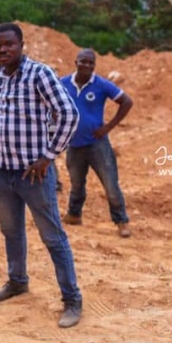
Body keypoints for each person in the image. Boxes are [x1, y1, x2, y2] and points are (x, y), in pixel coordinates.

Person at [0, 23, 83, 329]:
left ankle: (72, 300)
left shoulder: (39, 74)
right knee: (11, 231)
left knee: (53, 236)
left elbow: (69, 114)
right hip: (2, 174)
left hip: (33, 174)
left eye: (8, 45)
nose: (2, 50)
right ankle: (17, 281)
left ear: (21, 45)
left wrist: (49, 155)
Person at [60, 49, 133, 238]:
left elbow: (126, 102)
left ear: (94, 65)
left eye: (91, 63)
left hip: (97, 144)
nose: (87, 66)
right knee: (76, 183)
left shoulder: (101, 84)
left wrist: (108, 126)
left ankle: (121, 221)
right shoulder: (63, 83)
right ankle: (74, 214)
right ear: (76, 62)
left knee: (110, 184)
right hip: (73, 144)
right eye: (83, 62)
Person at [0, 63, 64, 193]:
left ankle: (54, 181)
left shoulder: (31, 75)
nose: (3, 53)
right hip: (2, 129)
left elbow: (60, 108)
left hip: (30, 130)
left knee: (41, 152)